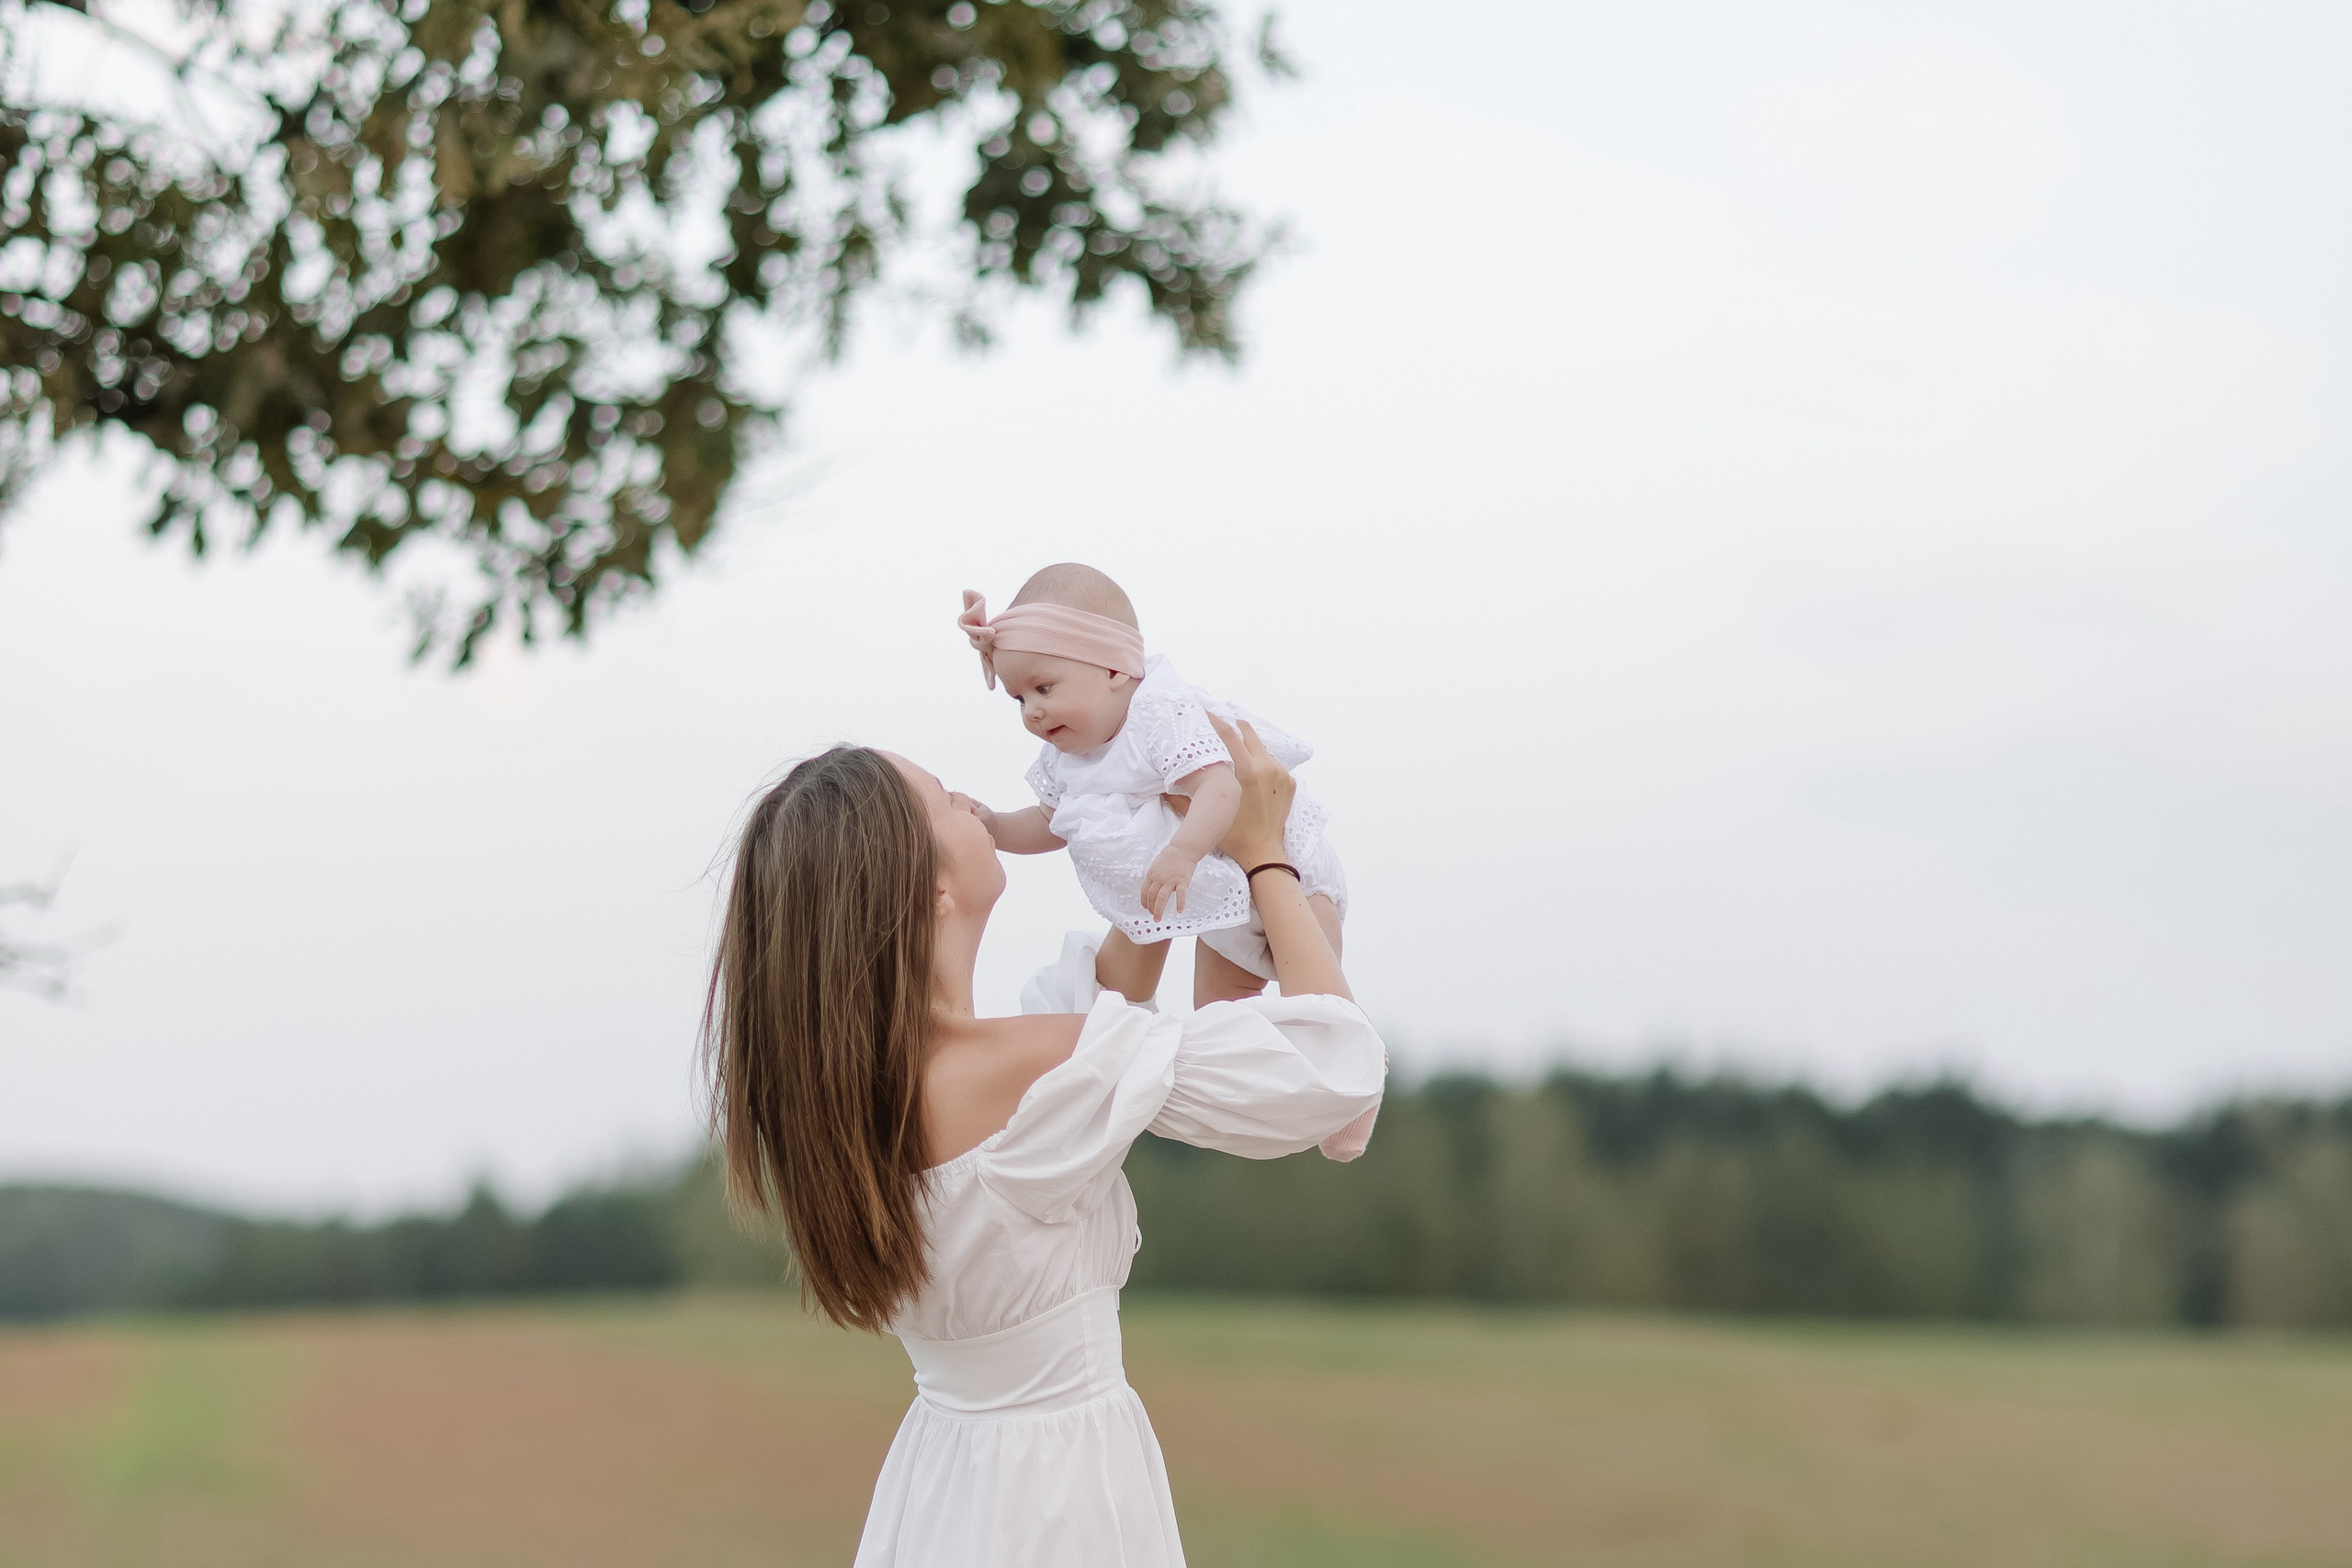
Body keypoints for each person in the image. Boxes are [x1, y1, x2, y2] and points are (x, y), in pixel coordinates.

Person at [703, 714, 1387, 1568]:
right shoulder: (1034, 1069)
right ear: (929, 886)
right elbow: (1335, 1065)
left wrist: (1166, 839)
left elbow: (1105, 993)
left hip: (945, 1482)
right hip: (1058, 1500)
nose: (975, 805)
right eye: (949, 801)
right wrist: (1264, 854)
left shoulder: (861, 1100)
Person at [956, 563, 1347, 1011]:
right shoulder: (1068, 757)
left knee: (1320, 1010)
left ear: (1114, 671)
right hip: (1222, 896)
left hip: (1296, 871)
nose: (1032, 713)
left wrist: (1181, 853)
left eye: (1044, 688)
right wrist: (998, 828)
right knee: (1220, 1022)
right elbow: (1050, 821)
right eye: (1019, 699)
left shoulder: (1158, 714)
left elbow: (1221, 788)